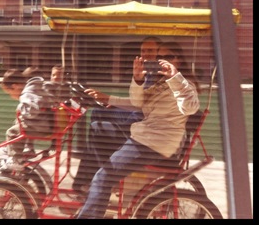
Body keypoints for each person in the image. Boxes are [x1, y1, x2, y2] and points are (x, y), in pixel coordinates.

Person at [76, 41, 200, 218]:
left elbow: (189, 107)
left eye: (168, 57)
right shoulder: (161, 82)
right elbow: (137, 102)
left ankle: (100, 186)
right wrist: (137, 80)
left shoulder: (184, 84)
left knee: (102, 178)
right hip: (144, 137)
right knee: (98, 128)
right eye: (159, 57)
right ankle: (101, 186)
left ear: (178, 60)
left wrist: (175, 77)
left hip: (151, 143)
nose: (162, 61)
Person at [72, 36, 162, 191]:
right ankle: (86, 177)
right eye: (143, 50)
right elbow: (138, 102)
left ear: (159, 52)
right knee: (97, 112)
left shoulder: (159, 75)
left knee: (96, 127)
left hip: (141, 124)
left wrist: (109, 98)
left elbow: (139, 105)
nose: (146, 54)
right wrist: (109, 101)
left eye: (151, 50)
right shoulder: (147, 71)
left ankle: (102, 177)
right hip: (138, 116)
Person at [1, 67, 57, 166]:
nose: (11, 96)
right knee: (18, 123)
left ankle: (15, 160)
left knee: (11, 132)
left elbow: (32, 111)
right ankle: (26, 149)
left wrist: (20, 108)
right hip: (46, 123)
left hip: (40, 127)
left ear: (15, 86)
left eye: (10, 92)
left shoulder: (27, 93)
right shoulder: (37, 88)